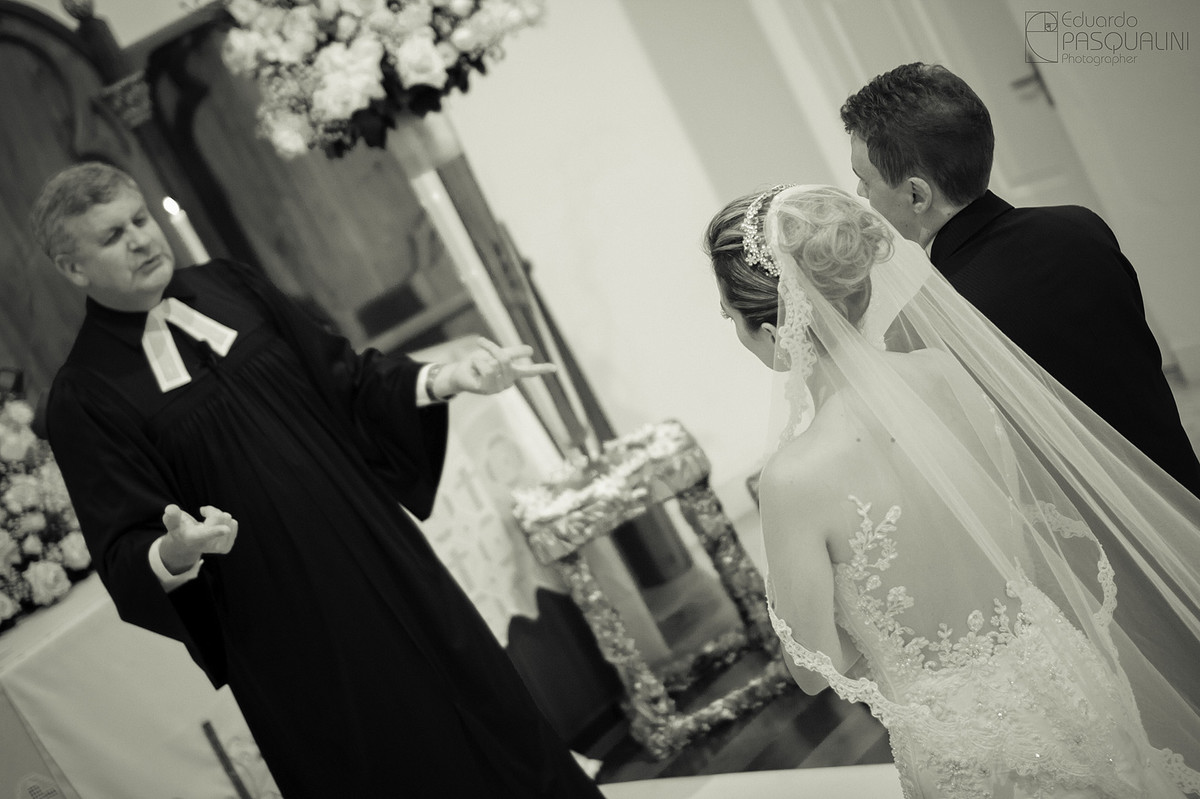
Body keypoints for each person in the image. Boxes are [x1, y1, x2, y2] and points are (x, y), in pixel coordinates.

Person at [30, 162, 605, 799]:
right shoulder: (85, 396)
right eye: (112, 236)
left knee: (484, 708)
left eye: (140, 219)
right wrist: (179, 549)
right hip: (286, 625)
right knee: (386, 764)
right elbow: (123, 549)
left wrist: (450, 379)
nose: (141, 239)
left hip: (384, 559)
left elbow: (346, 381)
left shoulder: (231, 286)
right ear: (73, 269)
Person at [705, 183, 1200, 797]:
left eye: (731, 318)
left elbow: (812, 671)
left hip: (963, 738)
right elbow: (1016, 530)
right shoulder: (946, 372)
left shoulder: (794, 479)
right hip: (1059, 672)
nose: (733, 331)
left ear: (776, 332)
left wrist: (893, 646)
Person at [839, 61, 1200, 497]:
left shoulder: (923, 324)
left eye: (865, 179)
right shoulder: (1081, 228)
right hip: (1184, 489)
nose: (862, 194)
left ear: (917, 195)